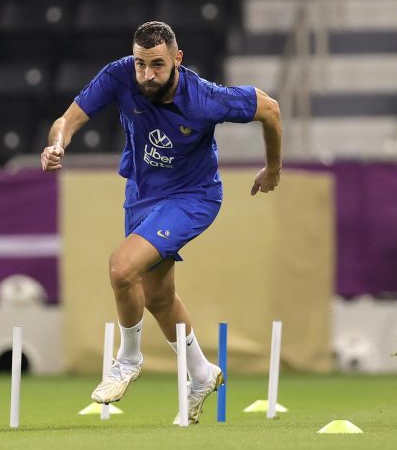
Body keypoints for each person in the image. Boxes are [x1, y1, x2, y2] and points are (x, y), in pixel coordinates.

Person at [40, 21, 282, 424]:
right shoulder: (120, 75)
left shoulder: (204, 97)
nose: (146, 74)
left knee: (121, 268)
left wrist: (272, 168)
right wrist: (56, 143)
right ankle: (202, 373)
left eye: (156, 65)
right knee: (157, 297)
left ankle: (128, 359)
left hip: (193, 197)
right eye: (140, 64)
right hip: (141, 196)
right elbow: (69, 119)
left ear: (177, 59)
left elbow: (270, 109)